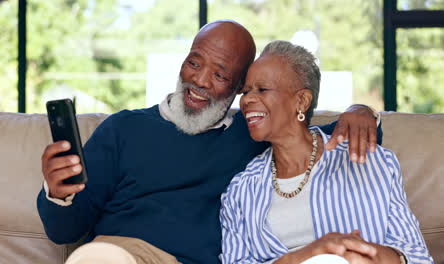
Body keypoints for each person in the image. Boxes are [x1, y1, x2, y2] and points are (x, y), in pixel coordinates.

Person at [37, 21, 380, 264]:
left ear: (238, 89)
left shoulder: (252, 135)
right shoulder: (123, 129)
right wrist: (59, 193)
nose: (199, 81)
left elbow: (326, 134)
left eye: (219, 75)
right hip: (122, 254)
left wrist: (360, 111)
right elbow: (65, 230)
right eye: (194, 63)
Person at [219, 40, 433, 264]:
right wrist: (305, 256)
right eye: (245, 92)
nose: (248, 100)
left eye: (262, 89)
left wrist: (369, 256)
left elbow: (418, 257)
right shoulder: (241, 190)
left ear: (301, 101)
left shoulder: (374, 162)